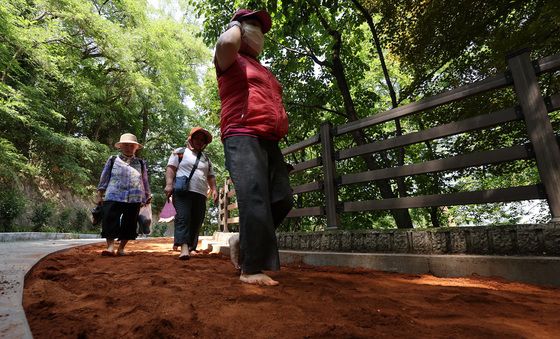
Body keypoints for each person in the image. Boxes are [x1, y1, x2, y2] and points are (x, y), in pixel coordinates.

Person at [214, 9, 293, 286]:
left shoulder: (263, 69)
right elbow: (225, 43)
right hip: (241, 133)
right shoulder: (229, 59)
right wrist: (236, 25)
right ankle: (250, 269)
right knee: (254, 196)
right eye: (252, 25)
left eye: (261, 28)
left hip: (269, 140)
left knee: (283, 198)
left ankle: (242, 240)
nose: (258, 32)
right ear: (239, 28)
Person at [164, 127, 218, 260]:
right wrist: (169, 184)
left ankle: (192, 247)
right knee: (183, 217)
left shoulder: (206, 158)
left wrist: (214, 189)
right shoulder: (179, 152)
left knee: (196, 220)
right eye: (197, 138)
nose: (199, 141)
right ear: (191, 139)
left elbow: (211, 176)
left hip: (200, 193)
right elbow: (171, 168)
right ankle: (183, 247)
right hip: (183, 191)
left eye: (202, 140)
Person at [96, 133, 152, 256]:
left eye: (131, 145)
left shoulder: (141, 163)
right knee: (110, 220)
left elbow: (144, 180)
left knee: (130, 224)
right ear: (120, 146)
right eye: (125, 145)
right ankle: (110, 247)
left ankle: (121, 248)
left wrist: (147, 195)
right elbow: (104, 177)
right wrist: (100, 194)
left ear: (136, 147)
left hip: (134, 197)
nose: (128, 147)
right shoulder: (113, 160)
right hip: (113, 195)